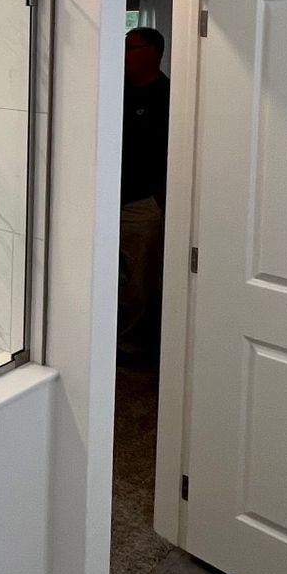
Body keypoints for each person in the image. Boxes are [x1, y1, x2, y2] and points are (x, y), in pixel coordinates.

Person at [119, 26, 169, 361]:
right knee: (109, 274)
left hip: (143, 204)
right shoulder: (117, 89)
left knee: (142, 280)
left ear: (152, 53)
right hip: (107, 201)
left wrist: (161, 203)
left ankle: (134, 345)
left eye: (130, 48)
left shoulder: (168, 97)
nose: (123, 54)